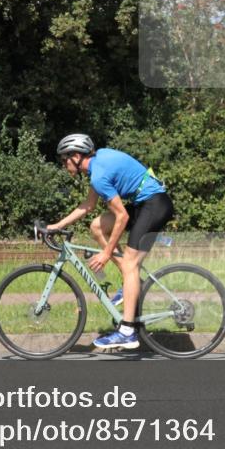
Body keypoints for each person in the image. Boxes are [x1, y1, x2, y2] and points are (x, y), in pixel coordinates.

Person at [47, 133, 174, 351]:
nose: (63, 164)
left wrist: (106, 253)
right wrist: (57, 225)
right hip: (144, 204)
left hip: (155, 205)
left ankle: (127, 331)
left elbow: (122, 217)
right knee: (97, 226)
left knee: (130, 264)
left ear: (76, 157)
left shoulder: (99, 174)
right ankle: (131, 284)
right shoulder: (97, 165)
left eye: (64, 159)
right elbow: (88, 205)